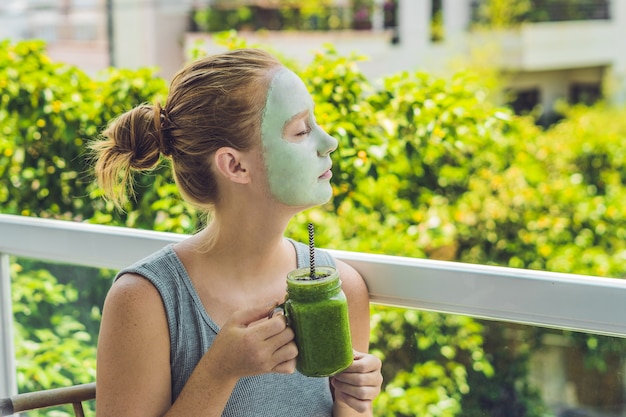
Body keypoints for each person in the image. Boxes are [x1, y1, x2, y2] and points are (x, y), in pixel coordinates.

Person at [92, 48, 383, 417]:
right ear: (234, 165)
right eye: (301, 130)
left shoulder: (342, 290)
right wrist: (219, 371)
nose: (329, 143)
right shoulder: (144, 301)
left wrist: (353, 403)